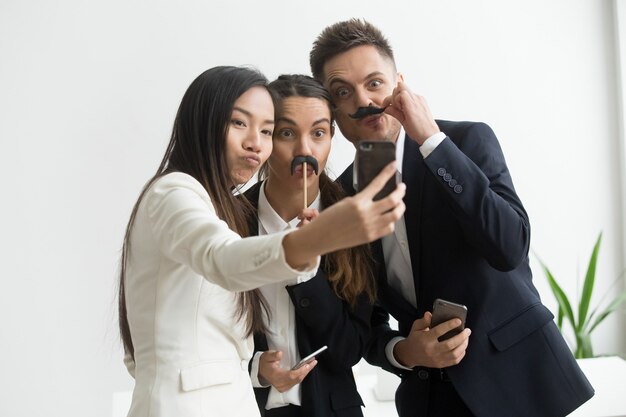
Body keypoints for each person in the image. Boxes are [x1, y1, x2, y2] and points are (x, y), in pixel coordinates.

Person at [309, 19, 594, 417]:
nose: (365, 100)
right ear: (332, 109)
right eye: (344, 91)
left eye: (374, 83)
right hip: (428, 399)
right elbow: (363, 323)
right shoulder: (339, 200)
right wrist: (404, 351)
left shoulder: (465, 142)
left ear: (399, 84)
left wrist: (431, 142)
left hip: (519, 385)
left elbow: (508, 246)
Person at [117, 66, 406, 417]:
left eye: (266, 130)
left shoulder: (347, 216)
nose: (255, 141)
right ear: (204, 121)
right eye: (240, 123)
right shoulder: (192, 201)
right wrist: (309, 242)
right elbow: (222, 259)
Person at [245, 74, 372, 417]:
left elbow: (350, 350)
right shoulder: (228, 221)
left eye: (318, 133)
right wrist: (257, 369)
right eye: (287, 133)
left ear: (331, 136)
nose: (305, 150)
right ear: (266, 137)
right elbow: (204, 338)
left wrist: (305, 268)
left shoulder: (353, 220)